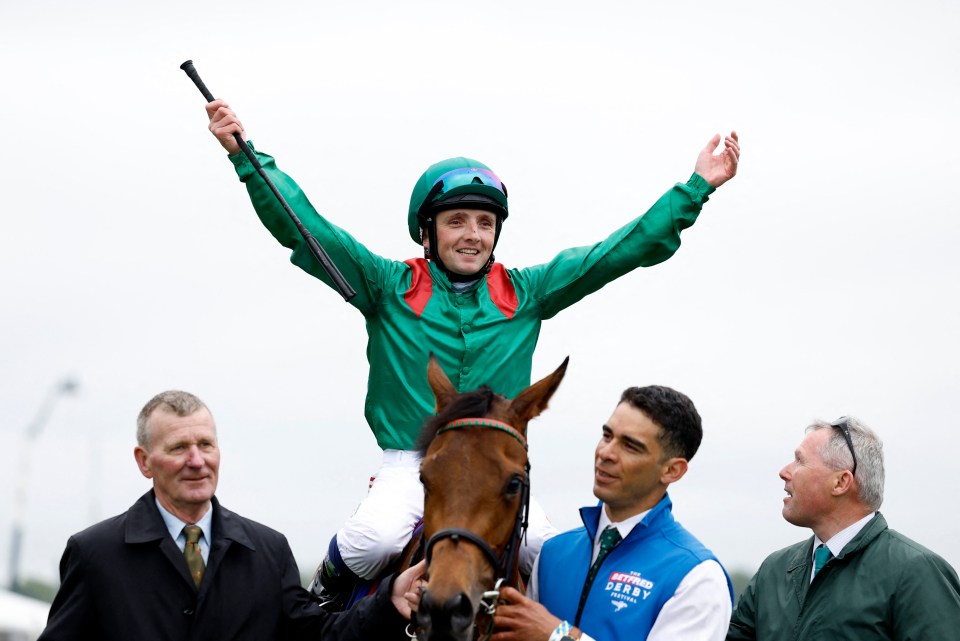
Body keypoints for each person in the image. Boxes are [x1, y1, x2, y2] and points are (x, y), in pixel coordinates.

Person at [205, 99, 741, 607]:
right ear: (428, 230)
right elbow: (305, 228)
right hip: (413, 464)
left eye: (485, 224)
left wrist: (696, 188)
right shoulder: (385, 285)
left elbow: (618, 251)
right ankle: (322, 603)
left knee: (550, 557)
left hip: (498, 470)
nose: (473, 235)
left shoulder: (528, 291)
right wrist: (246, 157)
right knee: (373, 538)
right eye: (457, 221)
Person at [38, 390, 423, 641]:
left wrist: (389, 600)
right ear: (144, 462)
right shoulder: (95, 554)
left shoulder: (268, 551)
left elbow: (319, 637)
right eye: (178, 448)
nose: (196, 460)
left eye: (205, 444)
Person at [493, 385, 734, 641]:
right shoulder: (553, 553)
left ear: (672, 471)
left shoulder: (697, 577)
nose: (606, 453)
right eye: (607, 436)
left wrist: (558, 636)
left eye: (630, 446)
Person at [726, 416, 960, 640]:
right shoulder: (774, 571)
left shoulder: (917, 572)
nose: (784, 472)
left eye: (800, 460)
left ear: (840, 482)